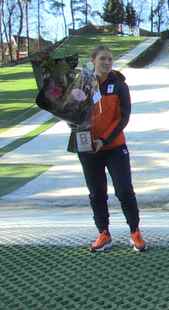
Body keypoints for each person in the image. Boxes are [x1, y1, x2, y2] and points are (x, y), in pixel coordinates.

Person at [36, 45, 146, 252]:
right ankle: (104, 233)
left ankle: (135, 232)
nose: (107, 62)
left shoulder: (119, 85)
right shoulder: (80, 84)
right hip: (87, 148)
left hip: (114, 147)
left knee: (124, 190)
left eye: (110, 59)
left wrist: (103, 140)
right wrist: (72, 124)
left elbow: (123, 118)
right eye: (103, 59)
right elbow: (69, 108)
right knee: (96, 193)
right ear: (93, 60)